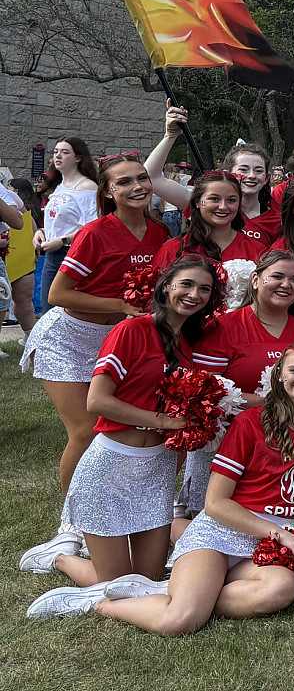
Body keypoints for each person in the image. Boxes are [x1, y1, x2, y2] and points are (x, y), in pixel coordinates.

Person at [28, 344, 294, 628]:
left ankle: (163, 590)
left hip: (274, 540)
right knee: (181, 619)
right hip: (223, 533)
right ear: (279, 376)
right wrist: (278, 533)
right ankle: (98, 603)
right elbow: (215, 504)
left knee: (279, 590)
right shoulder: (250, 422)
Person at [20, 257, 219, 588]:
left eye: (204, 289)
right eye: (186, 284)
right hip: (109, 467)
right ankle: (60, 557)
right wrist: (165, 421)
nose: (194, 294)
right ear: (166, 286)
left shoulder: (189, 345)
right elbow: (97, 401)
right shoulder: (130, 330)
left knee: (148, 580)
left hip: (157, 471)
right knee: (116, 585)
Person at [23, 152, 170, 537]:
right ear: (107, 191)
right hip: (67, 338)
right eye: (124, 182)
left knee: (112, 431)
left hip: (114, 340)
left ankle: (108, 504)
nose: (137, 186)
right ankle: (71, 523)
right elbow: (57, 293)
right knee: (86, 431)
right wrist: (122, 305)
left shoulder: (160, 233)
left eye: (142, 178)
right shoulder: (94, 233)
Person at [180, 251, 294, 532]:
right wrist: (273, 401)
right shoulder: (223, 327)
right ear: (256, 280)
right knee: (215, 526)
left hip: (285, 442)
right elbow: (206, 391)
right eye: (277, 276)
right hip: (227, 441)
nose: (285, 285)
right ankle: (176, 523)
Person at [145, 108, 281, 246]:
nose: (251, 176)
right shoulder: (207, 205)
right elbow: (151, 178)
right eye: (243, 170)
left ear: (266, 178)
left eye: (258, 171)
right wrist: (170, 136)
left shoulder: (277, 220)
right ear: (228, 173)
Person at [34, 136, 99, 315]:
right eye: (55, 152)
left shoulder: (87, 187)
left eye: (65, 152)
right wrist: (41, 232)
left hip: (73, 255)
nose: (58, 156)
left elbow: (92, 228)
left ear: (78, 157)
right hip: (52, 255)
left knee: (68, 312)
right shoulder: (59, 186)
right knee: (48, 311)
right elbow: (58, 221)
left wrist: (62, 240)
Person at [152, 173, 261, 267]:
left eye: (231, 200)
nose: (223, 206)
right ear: (197, 202)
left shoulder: (257, 250)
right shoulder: (173, 250)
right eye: (214, 199)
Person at [1, 176, 41, 332]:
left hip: (17, 251)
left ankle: (30, 338)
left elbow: (26, 218)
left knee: (23, 296)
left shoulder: (9, 196)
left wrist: (34, 241)